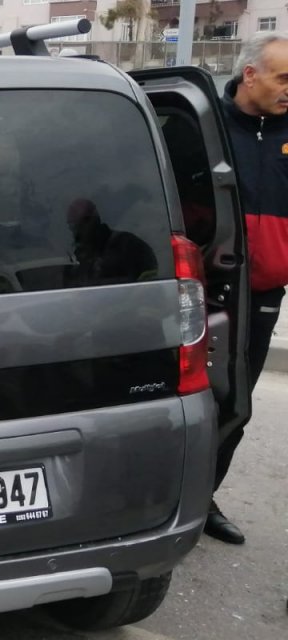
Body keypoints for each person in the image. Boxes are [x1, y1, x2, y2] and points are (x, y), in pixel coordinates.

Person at [209, 31, 288, 545]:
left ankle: (202, 499)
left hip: (261, 295)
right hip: (204, 291)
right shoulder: (206, 127)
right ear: (251, 74)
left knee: (237, 403)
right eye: (284, 78)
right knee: (193, 404)